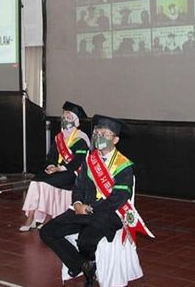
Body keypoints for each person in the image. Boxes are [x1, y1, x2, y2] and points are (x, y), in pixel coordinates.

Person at [40, 115, 138, 285]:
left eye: (105, 134)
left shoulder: (124, 165)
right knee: (47, 231)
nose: (99, 137)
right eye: (97, 132)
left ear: (115, 140)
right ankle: (81, 265)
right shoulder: (89, 159)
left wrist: (90, 208)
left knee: (86, 240)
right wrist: (77, 204)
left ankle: (89, 275)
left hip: (109, 213)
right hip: (83, 209)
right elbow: (78, 187)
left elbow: (119, 198)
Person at [21, 101, 91, 232]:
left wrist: (59, 169)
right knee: (36, 180)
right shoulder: (59, 137)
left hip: (72, 173)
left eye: (69, 117)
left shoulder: (81, 139)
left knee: (46, 183)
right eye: (64, 117)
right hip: (57, 170)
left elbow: (77, 162)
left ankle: (48, 217)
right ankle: (31, 217)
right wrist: (51, 166)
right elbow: (51, 156)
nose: (65, 120)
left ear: (76, 121)